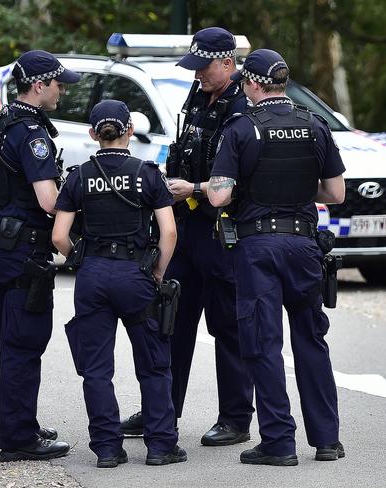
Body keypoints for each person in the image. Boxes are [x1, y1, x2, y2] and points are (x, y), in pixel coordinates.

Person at [208, 49, 346, 466]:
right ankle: (326, 440)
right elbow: (336, 193)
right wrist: (301, 192)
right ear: (282, 82)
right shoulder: (315, 125)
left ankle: (279, 443)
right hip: (305, 246)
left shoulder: (241, 128)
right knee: (311, 341)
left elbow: (218, 195)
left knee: (262, 344)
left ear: (251, 83)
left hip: (258, 249)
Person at [120, 26, 254, 447]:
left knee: (228, 326)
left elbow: (248, 180)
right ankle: (162, 411)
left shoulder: (245, 107)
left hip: (222, 230)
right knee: (170, 320)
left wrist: (195, 190)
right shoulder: (198, 97)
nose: (196, 74)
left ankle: (234, 418)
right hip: (188, 227)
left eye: (204, 66)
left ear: (227, 63)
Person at [52, 100, 186, 467]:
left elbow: (60, 236)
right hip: (136, 276)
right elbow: (169, 231)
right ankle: (161, 447)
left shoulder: (79, 176)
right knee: (154, 364)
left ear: (93, 134)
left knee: (96, 368)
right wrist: (157, 272)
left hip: (93, 275)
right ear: (129, 130)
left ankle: (108, 449)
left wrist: (82, 259)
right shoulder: (148, 173)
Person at [0, 50, 81, 462]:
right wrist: (81, 203)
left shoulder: (2, 121)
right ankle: (20, 438)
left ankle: (21, 423)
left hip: (3, 242)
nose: (62, 91)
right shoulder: (31, 132)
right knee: (25, 341)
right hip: (24, 246)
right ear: (39, 84)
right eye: (59, 84)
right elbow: (47, 200)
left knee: (13, 337)